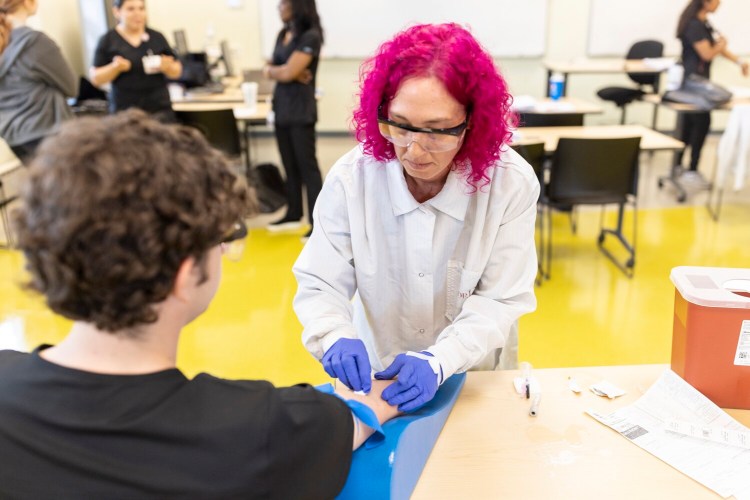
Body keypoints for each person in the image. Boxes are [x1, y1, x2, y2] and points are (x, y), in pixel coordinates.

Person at [0, 110, 399, 498]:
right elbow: (353, 420)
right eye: (220, 238)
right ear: (184, 273)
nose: (225, 249)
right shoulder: (261, 430)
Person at [293, 23, 539, 412]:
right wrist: (333, 334)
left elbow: (501, 297)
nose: (415, 151)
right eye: (400, 125)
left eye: (438, 132)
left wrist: (441, 360)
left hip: (472, 374)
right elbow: (321, 280)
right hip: (380, 369)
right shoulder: (352, 178)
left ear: (471, 124)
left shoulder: (510, 183)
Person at [263, 0, 324, 240]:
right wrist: (282, 71)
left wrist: (283, 71)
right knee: (289, 163)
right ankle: (293, 212)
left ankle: (316, 222)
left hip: (301, 110)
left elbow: (286, 71)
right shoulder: (283, 33)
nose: (279, 7)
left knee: (306, 166)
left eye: (284, 3)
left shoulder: (311, 36)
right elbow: (275, 68)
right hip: (282, 107)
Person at [675, 0, 748, 181]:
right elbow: (707, 53)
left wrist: (739, 62)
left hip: (699, 81)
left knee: (691, 125)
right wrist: (721, 46)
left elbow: (718, 48)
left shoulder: (704, 23)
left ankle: (683, 167)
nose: (720, 4)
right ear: (706, 2)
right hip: (693, 83)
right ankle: (688, 169)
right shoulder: (693, 25)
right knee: (698, 123)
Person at [0, 0, 77, 165]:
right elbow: (71, 88)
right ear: (27, 2)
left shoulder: (4, 40)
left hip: (13, 136)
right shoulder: (35, 42)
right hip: (45, 131)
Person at [89, 0, 181, 122]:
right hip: (124, 113)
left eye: (141, 8)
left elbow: (177, 71)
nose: (137, 13)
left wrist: (167, 67)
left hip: (159, 110)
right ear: (117, 11)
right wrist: (115, 67)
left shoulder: (157, 37)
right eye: (131, 9)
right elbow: (96, 78)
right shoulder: (108, 40)